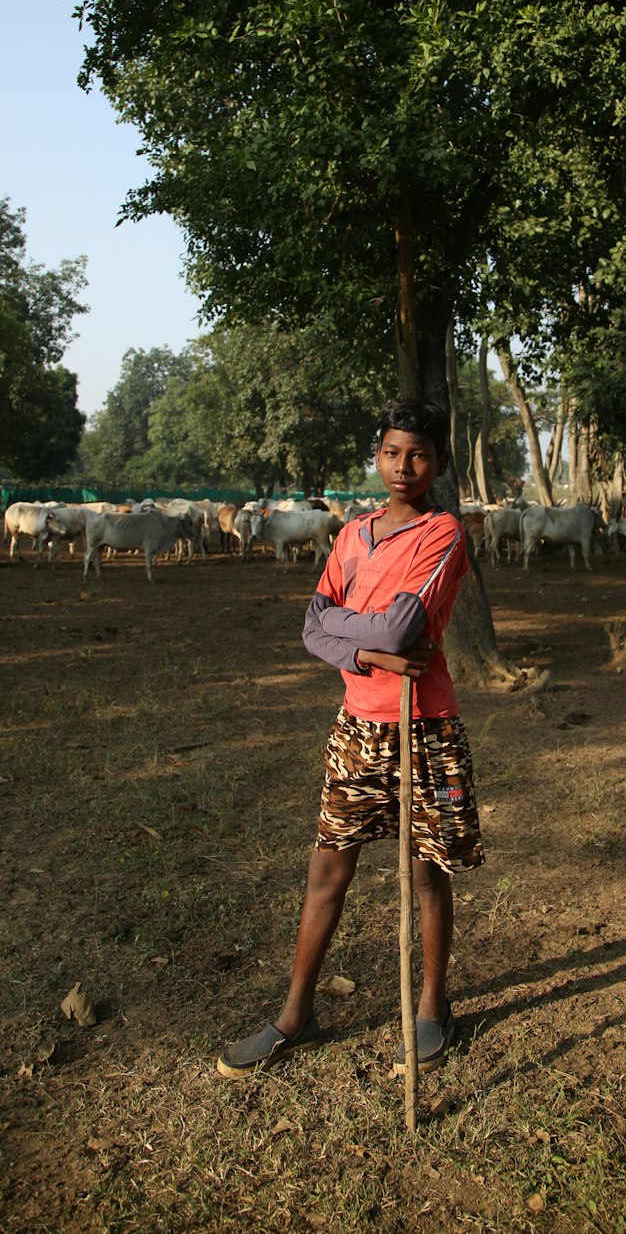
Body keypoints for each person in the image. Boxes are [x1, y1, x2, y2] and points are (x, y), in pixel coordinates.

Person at [216, 398, 484, 1078]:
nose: (403, 466)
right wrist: (369, 655)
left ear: (439, 463)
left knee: (426, 873)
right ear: (378, 456)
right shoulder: (353, 533)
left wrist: (353, 630)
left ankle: (432, 1007)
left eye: (418, 454)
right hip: (358, 726)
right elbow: (312, 627)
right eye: (392, 452)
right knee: (328, 870)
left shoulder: (443, 533)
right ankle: (295, 1015)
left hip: (422, 726)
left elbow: (400, 627)